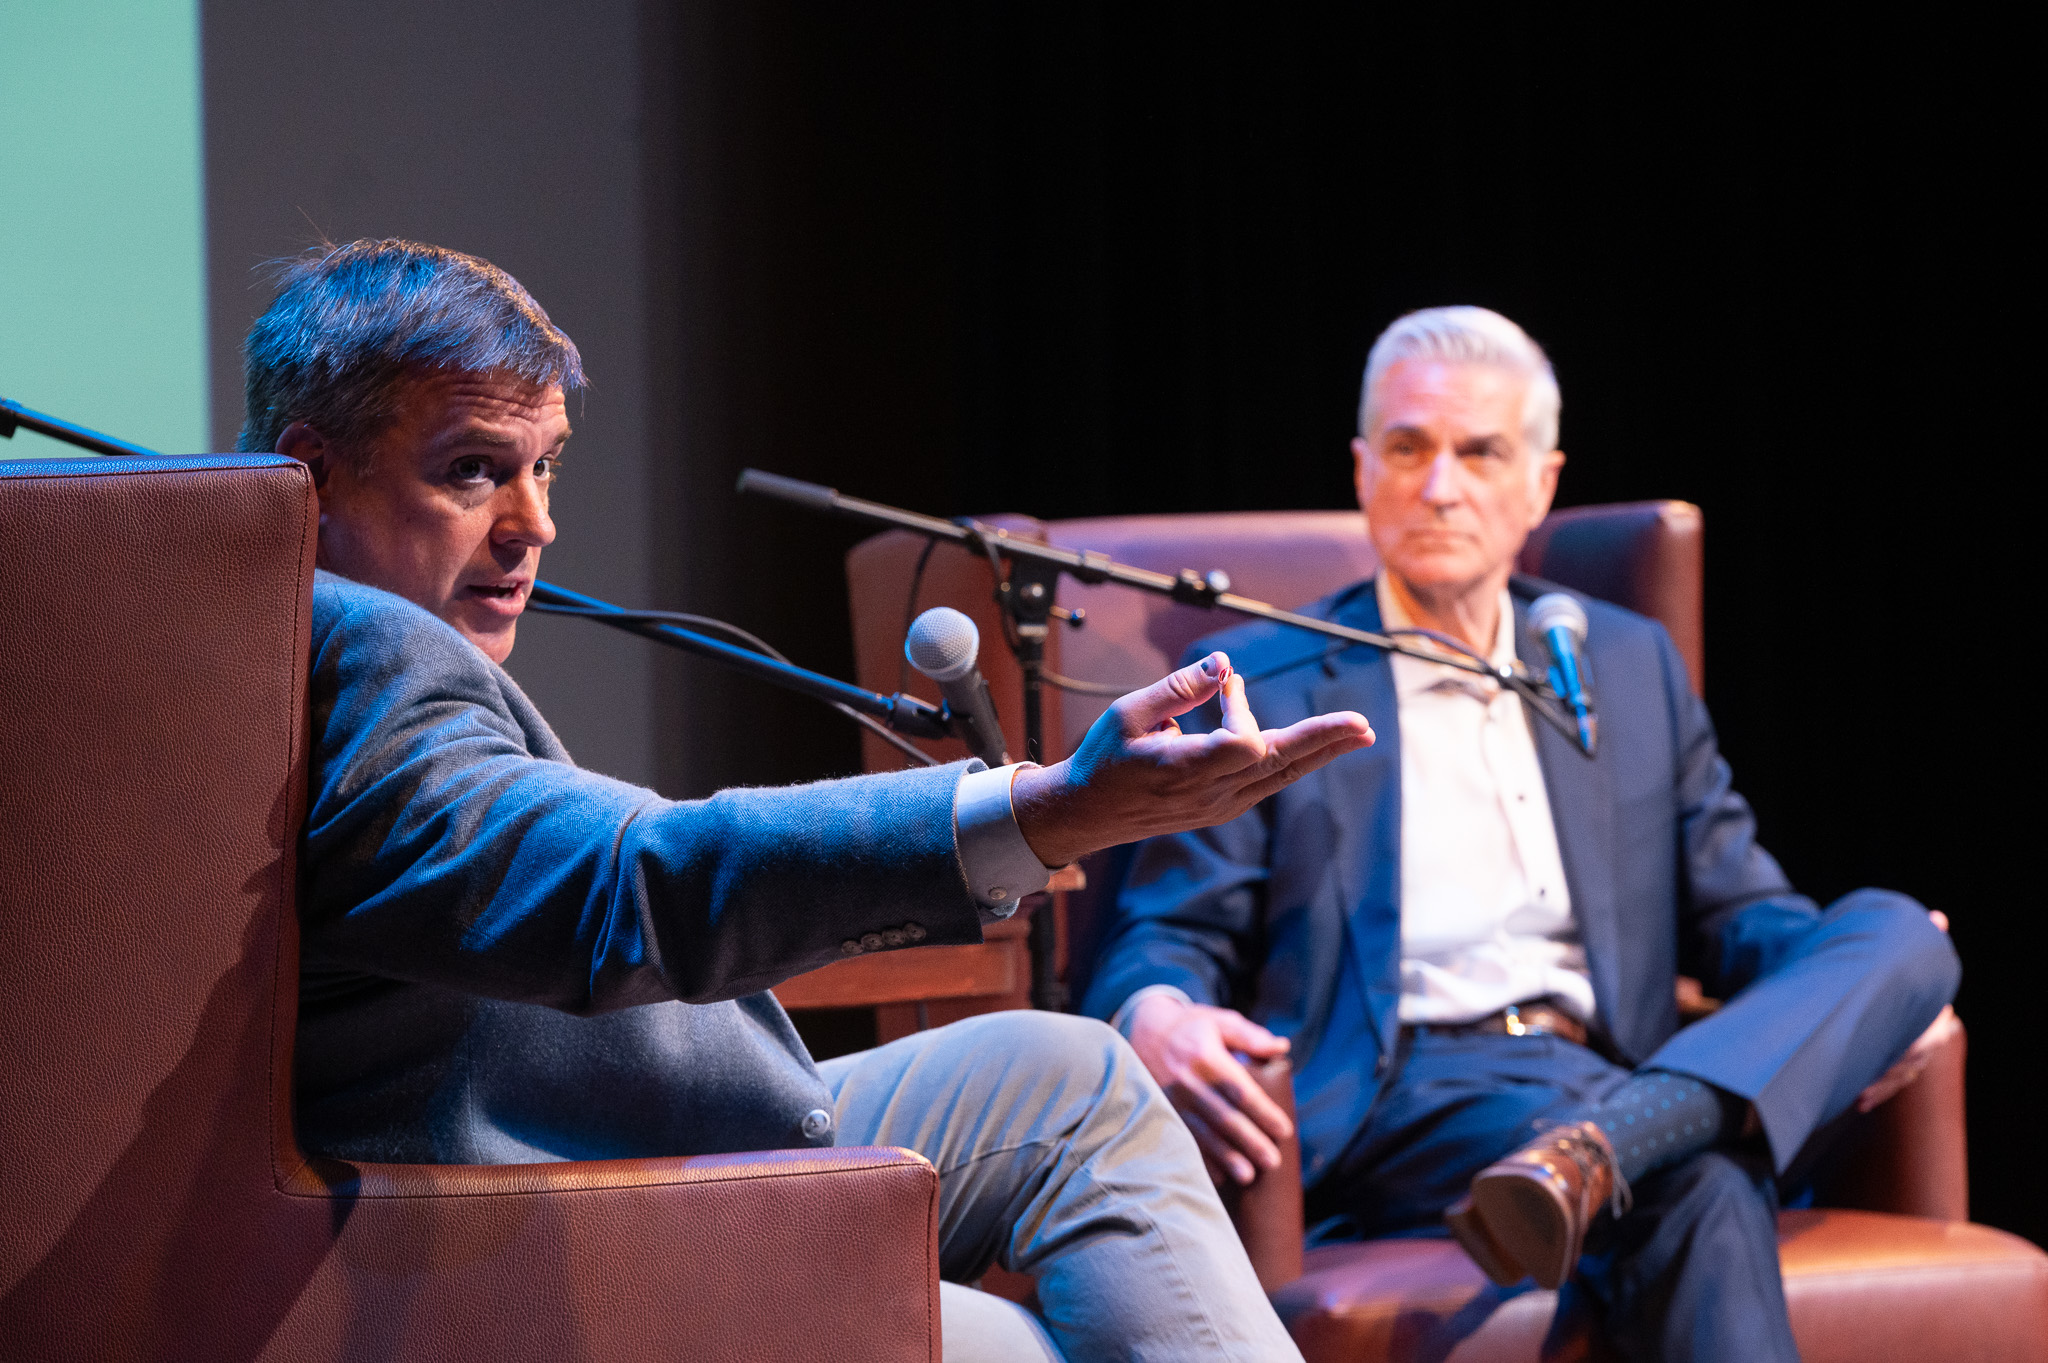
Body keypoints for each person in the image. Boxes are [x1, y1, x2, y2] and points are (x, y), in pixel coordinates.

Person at [247, 239, 1376, 1362]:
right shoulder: (357, 651)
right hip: (524, 1221)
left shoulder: (303, 643)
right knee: (1045, 1348)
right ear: (314, 474)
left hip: (601, 1133)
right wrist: (1038, 811)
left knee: (1069, 1076)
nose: (534, 522)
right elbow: (623, 888)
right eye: (473, 471)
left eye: (545, 467)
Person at [1084, 306, 1961, 1362]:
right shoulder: (1264, 680)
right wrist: (1155, 1009)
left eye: (1478, 451)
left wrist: (1864, 987)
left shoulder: (1622, 666)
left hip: (1604, 1068)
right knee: (1704, 1172)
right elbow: (1162, 931)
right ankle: (1646, 1132)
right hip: (1399, 1093)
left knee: (1903, 933)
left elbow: (1742, 911)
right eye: (1408, 449)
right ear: (1363, 471)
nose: (1439, 485)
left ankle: (1609, 1145)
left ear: (1540, 482)